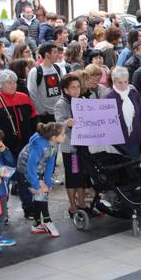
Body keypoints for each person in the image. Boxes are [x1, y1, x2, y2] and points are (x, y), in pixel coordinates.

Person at [17, 122, 65, 237]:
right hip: (26, 171)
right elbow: (30, 167)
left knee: (42, 193)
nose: (65, 136)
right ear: (54, 137)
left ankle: (36, 223)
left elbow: (50, 163)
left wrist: (47, 181)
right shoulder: (39, 145)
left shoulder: (54, 144)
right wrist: (37, 184)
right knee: (42, 193)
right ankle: (48, 221)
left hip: (38, 169)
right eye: (63, 134)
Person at [54, 74, 87, 218]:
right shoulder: (61, 104)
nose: (76, 90)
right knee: (73, 175)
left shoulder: (83, 100)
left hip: (84, 146)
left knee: (83, 175)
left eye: (78, 86)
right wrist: (67, 123)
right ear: (65, 90)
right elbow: (57, 126)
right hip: (71, 149)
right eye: (73, 87)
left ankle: (82, 202)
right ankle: (73, 206)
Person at [106, 67, 141, 158]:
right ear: (114, 82)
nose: (123, 86)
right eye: (120, 82)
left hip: (136, 136)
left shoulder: (134, 93)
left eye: (126, 82)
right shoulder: (108, 98)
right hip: (118, 141)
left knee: (137, 165)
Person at [27, 42, 63, 122]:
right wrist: (41, 111)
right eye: (55, 52)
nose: (57, 54)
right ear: (47, 55)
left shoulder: (57, 68)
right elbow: (32, 93)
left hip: (59, 111)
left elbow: (63, 87)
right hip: (45, 115)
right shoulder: (35, 71)